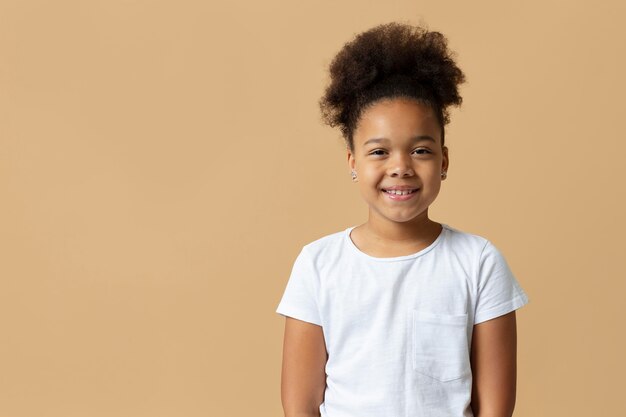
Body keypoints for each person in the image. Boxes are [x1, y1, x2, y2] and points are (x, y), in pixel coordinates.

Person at [275, 21, 529, 417]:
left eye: (421, 151)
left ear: (444, 161)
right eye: (379, 152)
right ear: (352, 162)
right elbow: (300, 404)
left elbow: (495, 408)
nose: (401, 167)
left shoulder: (479, 263)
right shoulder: (318, 265)